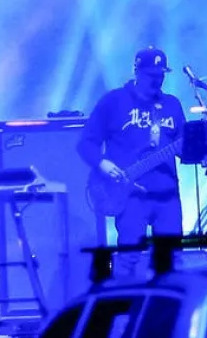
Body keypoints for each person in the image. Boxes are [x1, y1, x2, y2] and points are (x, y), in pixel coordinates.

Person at [77, 47, 187, 261]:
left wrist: (199, 148)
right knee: (129, 259)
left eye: (161, 75)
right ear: (137, 72)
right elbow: (86, 144)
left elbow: (184, 147)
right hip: (130, 196)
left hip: (167, 197)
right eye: (151, 76)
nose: (157, 80)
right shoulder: (114, 102)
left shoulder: (172, 104)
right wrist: (104, 164)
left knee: (172, 261)